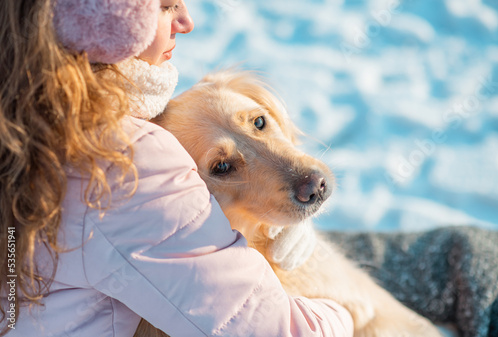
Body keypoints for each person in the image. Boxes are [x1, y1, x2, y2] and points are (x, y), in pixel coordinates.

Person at [0, 0, 353, 336]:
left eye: (258, 123)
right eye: (163, 7)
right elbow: (280, 332)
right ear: (104, 24)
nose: (186, 21)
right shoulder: (124, 161)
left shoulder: (23, 123)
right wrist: (348, 308)